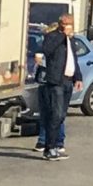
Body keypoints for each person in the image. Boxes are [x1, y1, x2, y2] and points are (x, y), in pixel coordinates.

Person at [34, 11, 76, 161]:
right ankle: (49, 147)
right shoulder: (53, 37)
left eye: (70, 24)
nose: (69, 28)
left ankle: (57, 146)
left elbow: (73, 59)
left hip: (68, 81)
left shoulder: (71, 40)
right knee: (55, 115)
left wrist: (78, 77)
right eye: (66, 25)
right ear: (61, 25)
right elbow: (47, 50)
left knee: (62, 116)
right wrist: (62, 35)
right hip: (56, 81)